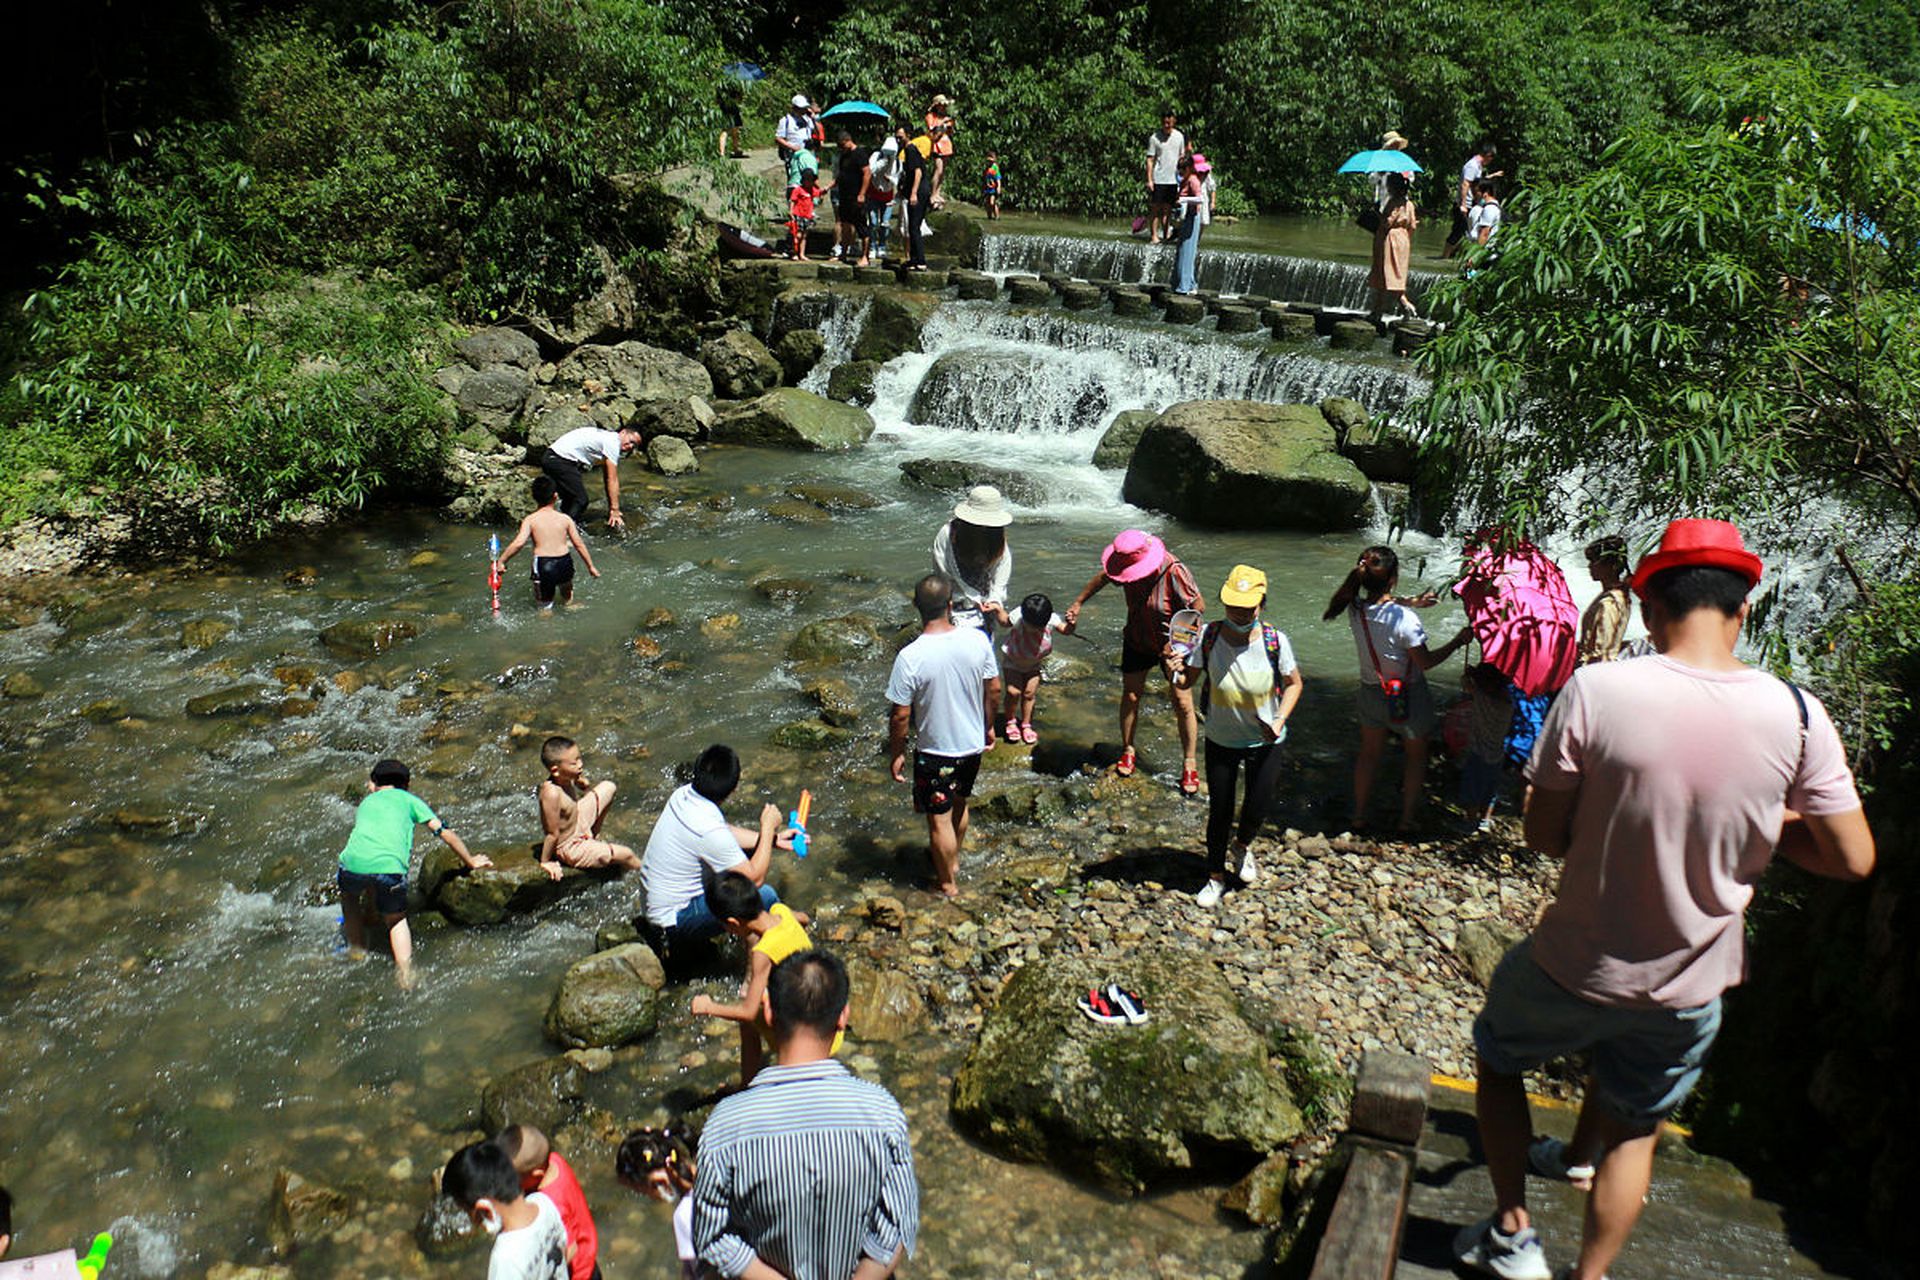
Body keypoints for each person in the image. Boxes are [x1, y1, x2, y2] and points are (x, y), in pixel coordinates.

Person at [1454, 518, 1874, 1280]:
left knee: (1498, 1057)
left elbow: (1544, 836)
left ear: (1648, 611)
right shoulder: (1800, 713)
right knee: (1634, 1131)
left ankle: (1513, 1233)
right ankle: (1591, 1275)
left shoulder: (1597, 690)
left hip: (1574, 961)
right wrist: (1764, 821)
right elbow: (1853, 857)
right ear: (1744, 610)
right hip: (1691, 985)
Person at [692, 950, 919, 1280]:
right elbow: (897, 1225)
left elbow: (712, 1237)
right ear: (843, 1017)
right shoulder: (882, 1114)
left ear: (768, 1010)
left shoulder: (726, 1125)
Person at [1169, 565, 1304, 907]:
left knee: (1258, 806)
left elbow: (1294, 684)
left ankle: (1242, 846)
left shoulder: (1276, 640)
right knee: (1220, 810)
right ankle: (1214, 876)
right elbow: (1187, 681)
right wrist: (1175, 670)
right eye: (1233, 607)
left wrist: (1279, 719)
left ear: (1261, 604)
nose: (1240, 613)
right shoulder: (1208, 636)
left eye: (1247, 608)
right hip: (1222, 739)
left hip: (1267, 739)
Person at [1322, 545, 1471, 832]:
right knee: (1416, 757)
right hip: (1409, 695)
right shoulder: (1405, 620)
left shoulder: (1355, 609)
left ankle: (1359, 816)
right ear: (1394, 577)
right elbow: (1425, 663)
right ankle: (1406, 820)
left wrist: (1412, 601)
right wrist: (1457, 641)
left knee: (1368, 755)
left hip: (1370, 691)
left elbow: (1381, 603)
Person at [1063, 529, 1206, 795]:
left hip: (1172, 644)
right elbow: (1104, 577)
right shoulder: (1122, 566)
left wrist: (1177, 641)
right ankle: (1128, 748)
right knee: (1130, 695)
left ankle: (1189, 762)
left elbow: (1197, 606)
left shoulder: (1174, 571)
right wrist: (1079, 602)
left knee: (1182, 702)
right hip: (1138, 639)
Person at [887, 573, 1000, 897]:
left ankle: (947, 883)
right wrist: (988, 726)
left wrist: (897, 753)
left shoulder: (910, 656)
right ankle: (953, 861)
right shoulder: (978, 640)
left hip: (936, 751)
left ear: (916, 607)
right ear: (950, 605)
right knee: (960, 803)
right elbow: (993, 688)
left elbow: (901, 715)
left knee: (938, 820)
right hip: (971, 745)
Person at [337, 758, 490, 988]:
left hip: (351, 865)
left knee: (349, 900)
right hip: (389, 869)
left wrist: (370, 908)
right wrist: (470, 860)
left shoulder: (367, 803)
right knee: (396, 919)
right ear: (407, 785)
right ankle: (405, 972)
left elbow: (370, 854)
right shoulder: (410, 801)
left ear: (373, 784)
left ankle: (357, 949)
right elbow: (444, 832)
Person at [690, 871, 841, 1085]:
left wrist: (708, 1006)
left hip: (800, 1037)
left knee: (748, 1020)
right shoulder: (781, 911)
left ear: (733, 923)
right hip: (826, 1026)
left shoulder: (763, 953)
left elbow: (748, 1012)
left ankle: (748, 1087)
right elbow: (803, 919)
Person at [638, 744, 790, 945]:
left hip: (656, 906)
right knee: (764, 896)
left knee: (738, 859)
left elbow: (723, 832)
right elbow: (755, 878)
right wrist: (768, 826)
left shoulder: (683, 795)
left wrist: (772, 840)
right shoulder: (708, 829)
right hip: (672, 922)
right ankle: (763, 967)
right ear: (734, 789)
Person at [442, 1139, 569, 1280]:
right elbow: (564, 1251)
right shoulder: (544, 1203)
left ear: (484, 1209)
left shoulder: (505, 1260)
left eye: (468, 1213)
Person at [498, 1125, 600, 1280]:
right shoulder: (554, 1160)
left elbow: (570, 1250)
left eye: (513, 1179)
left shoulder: (552, 1204)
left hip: (580, 1273)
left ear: (536, 1174)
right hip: (588, 1255)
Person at [494, 476, 600, 609]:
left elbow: (518, 543)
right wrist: (591, 567)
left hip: (544, 564)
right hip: (565, 562)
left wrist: (502, 561)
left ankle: (546, 619)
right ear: (556, 496)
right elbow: (579, 544)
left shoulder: (531, 520)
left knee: (545, 606)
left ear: (534, 497)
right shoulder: (565, 519)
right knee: (567, 595)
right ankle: (569, 607)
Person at [538, 736, 640, 874]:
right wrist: (546, 862)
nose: (580, 765)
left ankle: (594, 835)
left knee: (609, 787)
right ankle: (652, 879)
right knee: (627, 854)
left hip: (578, 823)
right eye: (574, 763)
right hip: (569, 846)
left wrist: (579, 782)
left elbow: (580, 784)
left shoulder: (566, 776)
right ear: (556, 770)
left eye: (580, 758)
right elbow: (552, 834)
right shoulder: (551, 794)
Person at [615, 1125, 699, 1280]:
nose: (650, 1197)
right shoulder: (713, 1165)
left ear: (657, 1182)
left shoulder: (685, 1214)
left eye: (642, 1191)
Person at [930, 485, 1014, 631]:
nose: (984, 527)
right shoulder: (947, 535)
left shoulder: (998, 538)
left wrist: (994, 600)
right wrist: (972, 599)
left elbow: (1001, 571)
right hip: (955, 600)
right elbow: (944, 575)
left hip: (986, 600)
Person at [542, 424, 639, 531]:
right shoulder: (613, 442)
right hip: (559, 460)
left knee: (569, 500)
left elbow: (607, 477)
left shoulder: (607, 438)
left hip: (551, 458)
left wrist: (611, 506)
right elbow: (612, 479)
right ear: (623, 432)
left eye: (634, 446)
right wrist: (614, 510)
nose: (630, 446)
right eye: (631, 441)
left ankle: (555, 527)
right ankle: (562, 532)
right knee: (580, 500)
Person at [999, 592, 1067, 745]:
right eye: (1032, 627)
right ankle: (1010, 721)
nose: (1036, 630)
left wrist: (1071, 624)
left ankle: (1026, 724)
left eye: (1039, 627)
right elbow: (1004, 622)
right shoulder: (1019, 615)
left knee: (1029, 693)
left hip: (1034, 662)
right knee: (1013, 692)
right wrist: (998, 609)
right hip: (1013, 661)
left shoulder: (1050, 618)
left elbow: (1065, 630)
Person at [1456, 663, 1514, 834]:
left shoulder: (1482, 699)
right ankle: (1485, 820)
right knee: (1491, 788)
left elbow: (1466, 685)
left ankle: (1470, 821)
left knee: (1473, 787)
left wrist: (1468, 674)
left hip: (1478, 752)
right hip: (1497, 753)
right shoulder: (1508, 703)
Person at [1367, 171, 1419, 320]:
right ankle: (1386, 309)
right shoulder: (1409, 204)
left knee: (1386, 274)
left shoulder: (1394, 203)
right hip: (1403, 239)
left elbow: (1387, 223)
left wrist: (1377, 213)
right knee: (1396, 275)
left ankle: (1397, 306)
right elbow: (1413, 226)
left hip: (1391, 239)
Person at [1578, 536, 1633, 664]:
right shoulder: (1619, 595)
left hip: (1594, 670)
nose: (1589, 566)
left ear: (1612, 566)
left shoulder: (1609, 603)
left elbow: (1602, 651)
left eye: (1594, 561)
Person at [1445, 141, 1503, 259]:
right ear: (1488, 155)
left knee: (1468, 233)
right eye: (1491, 158)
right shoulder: (1472, 165)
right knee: (1458, 231)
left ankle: (1454, 256)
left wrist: (1492, 176)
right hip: (1464, 204)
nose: (1490, 161)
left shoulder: (1477, 166)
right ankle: (1444, 257)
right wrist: (1463, 204)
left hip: (1469, 204)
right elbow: (1465, 184)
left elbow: (1477, 182)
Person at [1144, 111, 1186, 245]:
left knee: (1168, 209)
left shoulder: (1179, 136)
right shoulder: (1154, 138)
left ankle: (1166, 234)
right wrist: (1150, 180)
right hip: (1159, 177)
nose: (1167, 125)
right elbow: (1150, 159)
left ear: (1174, 122)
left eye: (1169, 122)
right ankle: (1154, 236)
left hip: (1173, 179)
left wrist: (1183, 178)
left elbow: (1182, 158)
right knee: (1156, 208)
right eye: (1164, 122)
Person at [1170, 154, 1210, 294]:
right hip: (1185, 217)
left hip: (1192, 217)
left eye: (1182, 168)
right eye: (1179, 168)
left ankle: (1185, 286)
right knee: (1182, 250)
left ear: (1189, 168)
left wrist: (1184, 201)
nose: (1180, 171)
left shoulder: (1193, 180)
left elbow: (1200, 199)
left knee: (1187, 252)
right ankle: (1185, 283)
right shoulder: (1184, 179)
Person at [859, 137, 901, 266]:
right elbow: (869, 171)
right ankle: (872, 246)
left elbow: (899, 177)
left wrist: (891, 179)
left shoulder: (898, 162)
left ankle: (882, 246)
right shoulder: (876, 156)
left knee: (885, 223)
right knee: (872, 222)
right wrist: (882, 163)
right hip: (873, 194)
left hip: (887, 195)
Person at [830, 133, 868, 261]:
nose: (841, 148)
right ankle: (843, 253)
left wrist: (862, 194)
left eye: (842, 145)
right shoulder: (844, 156)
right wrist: (828, 187)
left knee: (861, 225)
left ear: (848, 141)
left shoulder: (860, 154)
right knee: (845, 224)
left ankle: (865, 256)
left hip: (856, 195)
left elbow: (867, 174)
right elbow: (840, 176)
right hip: (844, 195)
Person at [900, 130, 932, 271]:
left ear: (908, 136)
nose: (898, 139)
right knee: (912, 227)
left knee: (914, 227)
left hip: (919, 192)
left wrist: (913, 193)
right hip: (919, 191)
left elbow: (918, 172)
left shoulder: (911, 150)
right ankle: (914, 259)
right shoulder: (910, 149)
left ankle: (920, 261)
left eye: (900, 137)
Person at [775, 94, 816, 189]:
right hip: (793, 155)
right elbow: (778, 138)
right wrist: (792, 147)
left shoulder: (808, 119)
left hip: (808, 153)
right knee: (795, 180)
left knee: (810, 177)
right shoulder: (785, 120)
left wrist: (813, 118)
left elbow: (815, 132)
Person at [924, 94, 956, 208]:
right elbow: (932, 129)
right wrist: (943, 123)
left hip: (946, 144)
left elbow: (950, 132)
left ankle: (938, 192)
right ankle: (933, 194)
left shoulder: (946, 117)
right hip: (937, 143)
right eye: (941, 105)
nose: (943, 108)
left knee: (942, 171)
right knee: (938, 169)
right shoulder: (931, 116)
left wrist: (950, 126)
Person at [1372, 130, 1410, 209]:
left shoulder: (1403, 160)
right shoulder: (1380, 160)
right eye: (1393, 145)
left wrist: (1402, 176)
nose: (1396, 147)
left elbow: (1411, 178)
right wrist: (1379, 173)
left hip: (1400, 204)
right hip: (1383, 202)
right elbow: (1372, 180)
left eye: (1397, 145)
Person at [787, 168, 819, 261]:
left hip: (807, 216)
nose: (809, 182)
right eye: (807, 179)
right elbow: (793, 200)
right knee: (798, 235)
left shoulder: (812, 190)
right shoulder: (798, 190)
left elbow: (819, 192)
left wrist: (827, 187)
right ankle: (794, 252)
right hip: (798, 214)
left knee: (804, 236)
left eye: (811, 180)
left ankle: (802, 254)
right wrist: (791, 211)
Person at [1468, 177, 1503, 249]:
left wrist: (1476, 256)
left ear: (1486, 192)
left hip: (1485, 253)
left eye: (1475, 192)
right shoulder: (1491, 207)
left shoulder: (1490, 209)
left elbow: (1484, 234)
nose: (1474, 196)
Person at [982, 150, 1002, 219]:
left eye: (991, 161)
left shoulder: (995, 168)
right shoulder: (987, 168)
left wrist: (999, 187)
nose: (989, 162)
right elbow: (984, 178)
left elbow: (998, 178)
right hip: (987, 188)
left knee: (992, 203)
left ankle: (997, 216)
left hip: (993, 189)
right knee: (987, 203)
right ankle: (989, 217)